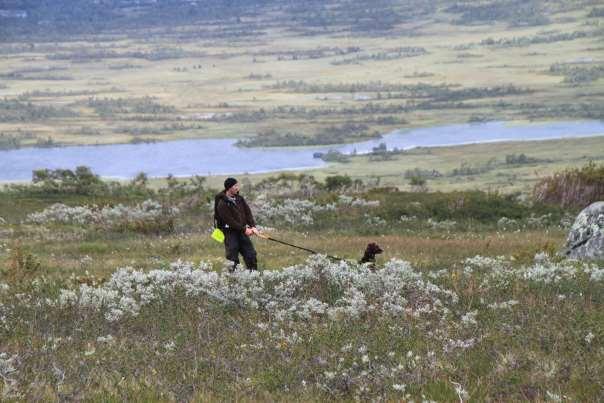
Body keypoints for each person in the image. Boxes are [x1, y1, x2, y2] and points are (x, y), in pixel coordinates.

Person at [214, 177, 259, 271]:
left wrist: (253, 226)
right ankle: (234, 279)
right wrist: (245, 229)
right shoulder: (222, 204)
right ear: (229, 188)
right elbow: (230, 221)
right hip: (230, 233)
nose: (237, 188)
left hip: (242, 232)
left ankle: (253, 276)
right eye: (235, 186)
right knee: (232, 259)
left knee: (251, 255)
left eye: (237, 185)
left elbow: (248, 213)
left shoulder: (240, 199)